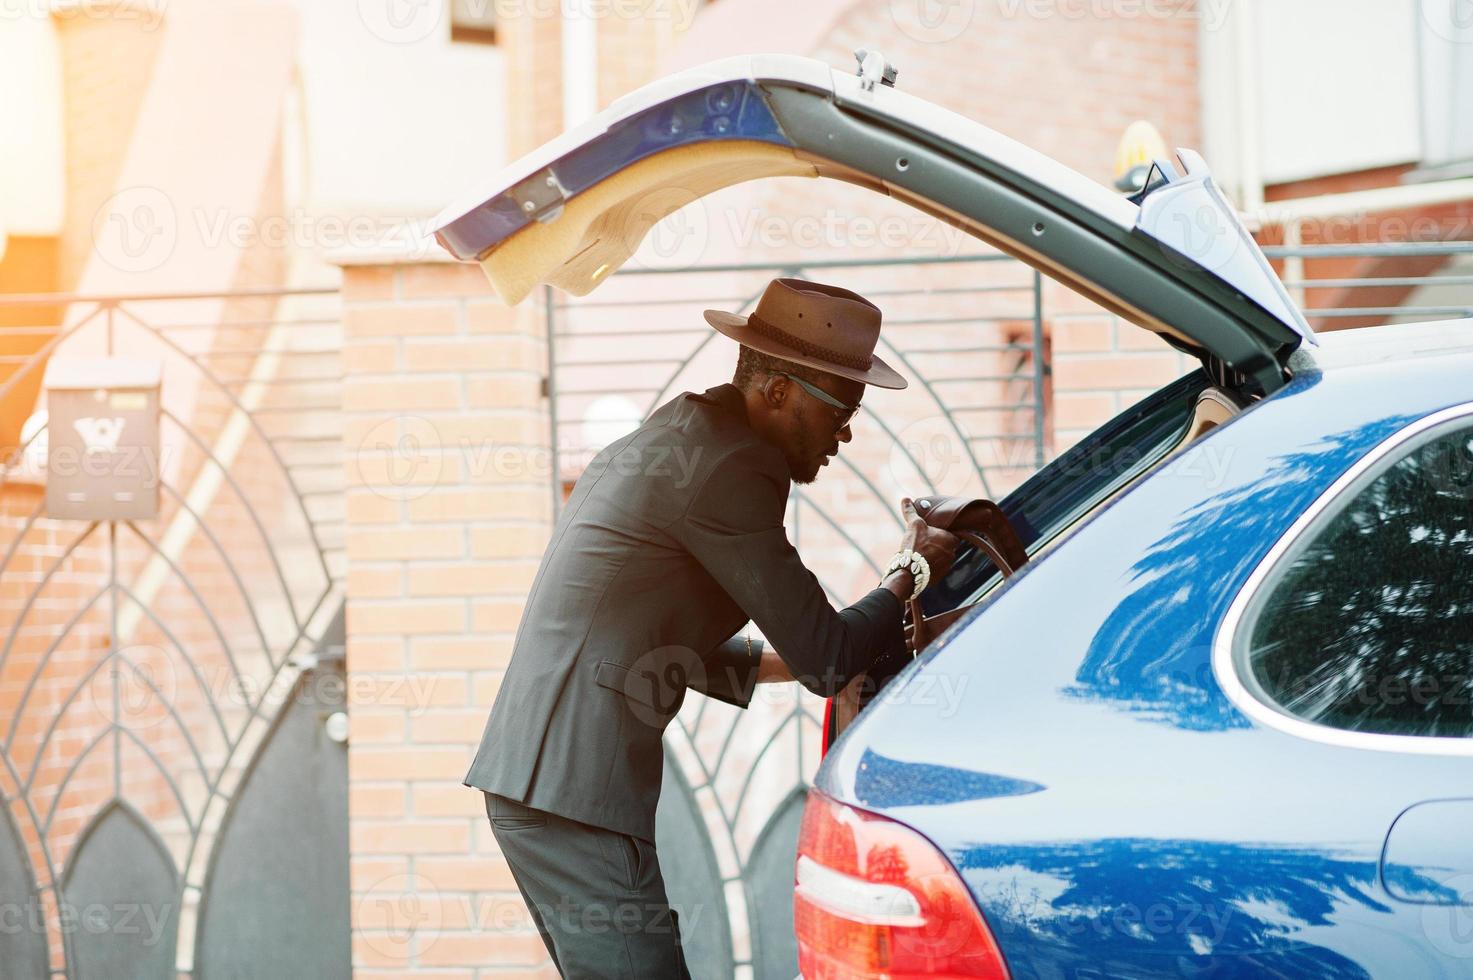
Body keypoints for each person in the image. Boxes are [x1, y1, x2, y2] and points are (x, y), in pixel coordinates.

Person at [465, 277, 959, 977]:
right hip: (569, 789)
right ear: (779, 391)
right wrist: (912, 569)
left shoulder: (687, 433)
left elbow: (678, 646)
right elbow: (826, 657)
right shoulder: (732, 466)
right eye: (840, 408)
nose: (845, 433)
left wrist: (822, 649)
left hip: (547, 783)